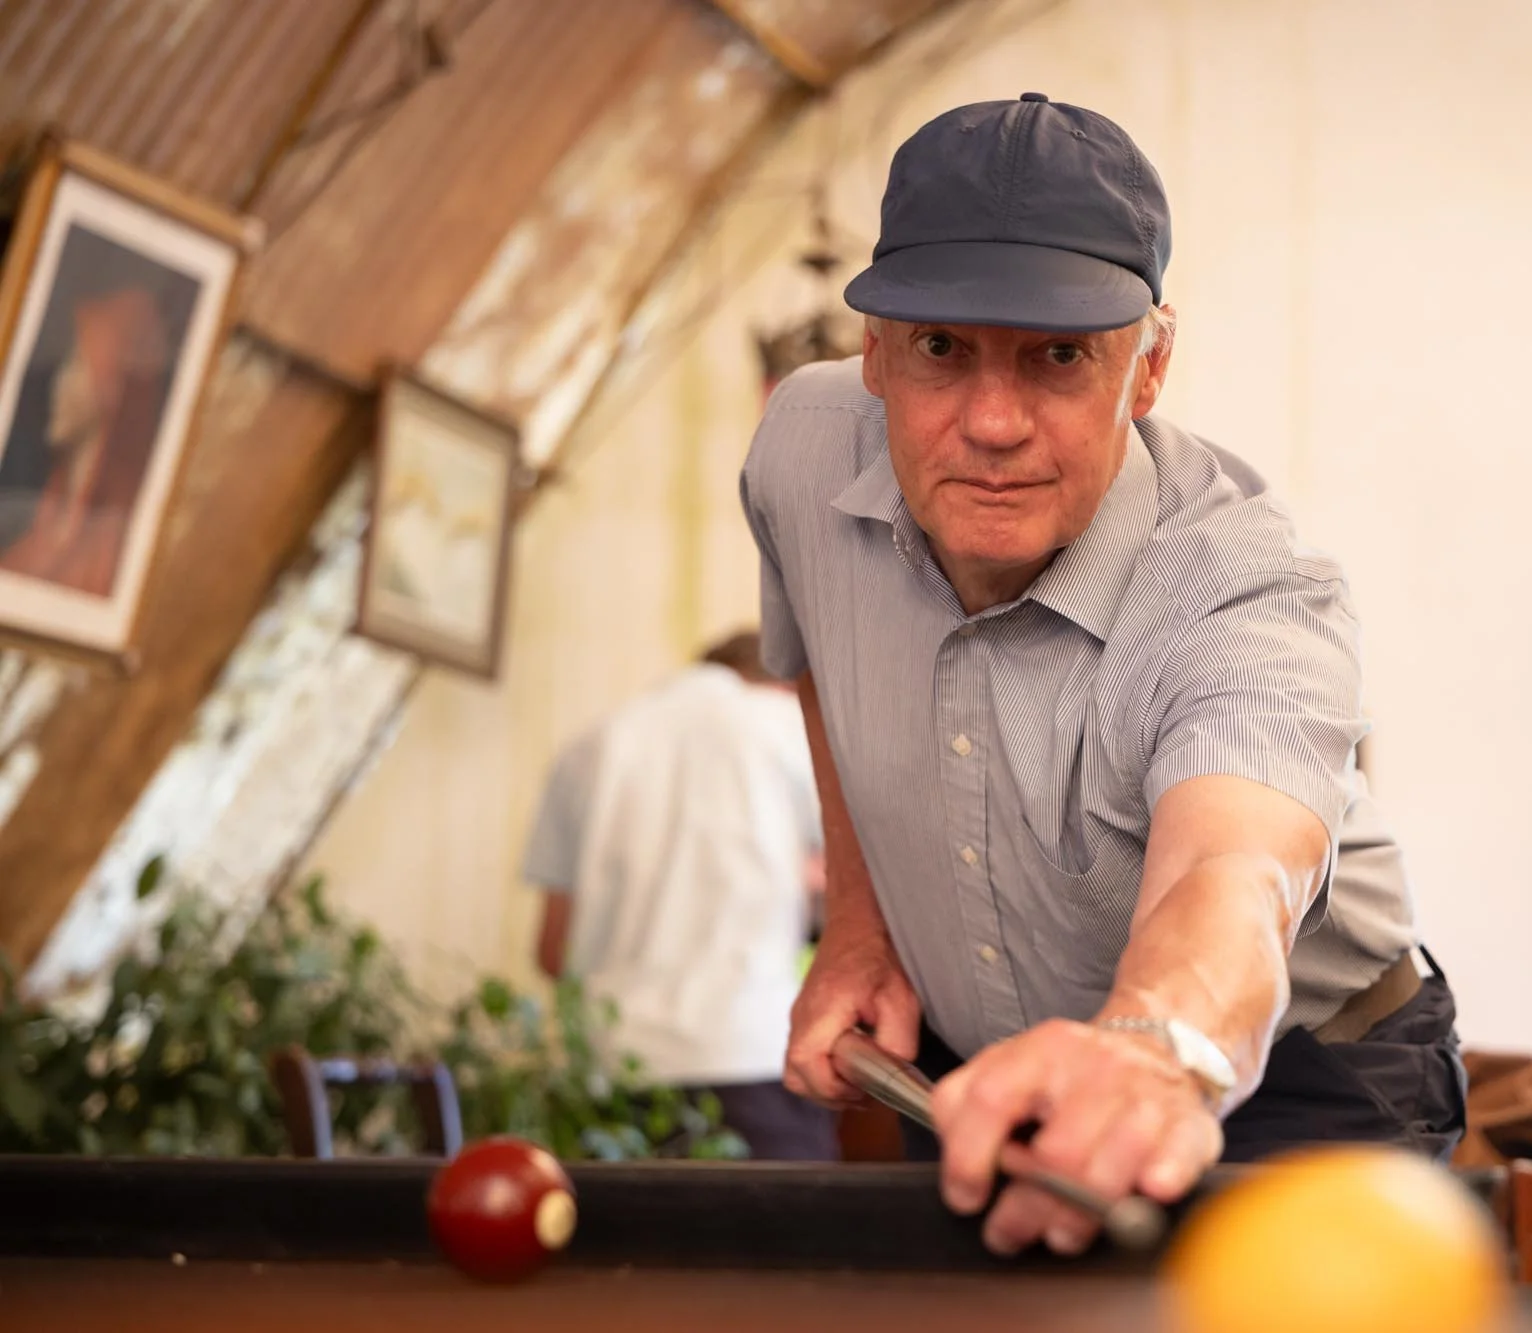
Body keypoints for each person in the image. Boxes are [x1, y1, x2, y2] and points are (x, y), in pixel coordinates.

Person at [738, 93, 1466, 1255]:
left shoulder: (1246, 592)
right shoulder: (799, 448)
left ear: (1148, 366)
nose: (990, 420)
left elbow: (1228, 874)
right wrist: (862, 932)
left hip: (1302, 1077)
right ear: (871, 351)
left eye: (1059, 357)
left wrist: (1155, 1046)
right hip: (989, 1070)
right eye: (940, 348)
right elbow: (824, 662)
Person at [522, 630, 836, 1160]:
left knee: (629, 1244)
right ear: (782, 684)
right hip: (750, 1057)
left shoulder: (589, 745)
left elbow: (554, 952)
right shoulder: (786, 727)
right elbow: (857, 904)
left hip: (609, 1073)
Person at [0, 285, 170, 596]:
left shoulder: (109, 541)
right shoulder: (41, 510)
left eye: (76, 367)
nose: (59, 384)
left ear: (109, 393)